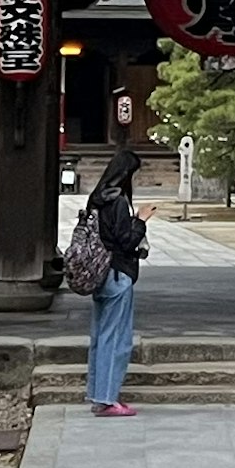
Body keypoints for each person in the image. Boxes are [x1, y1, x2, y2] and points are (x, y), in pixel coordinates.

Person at [79, 146, 148, 416]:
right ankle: (107, 398)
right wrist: (140, 221)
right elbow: (126, 241)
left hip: (98, 273)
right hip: (118, 273)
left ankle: (97, 394)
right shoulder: (118, 202)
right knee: (117, 338)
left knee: (100, 336)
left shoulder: (95, 200)